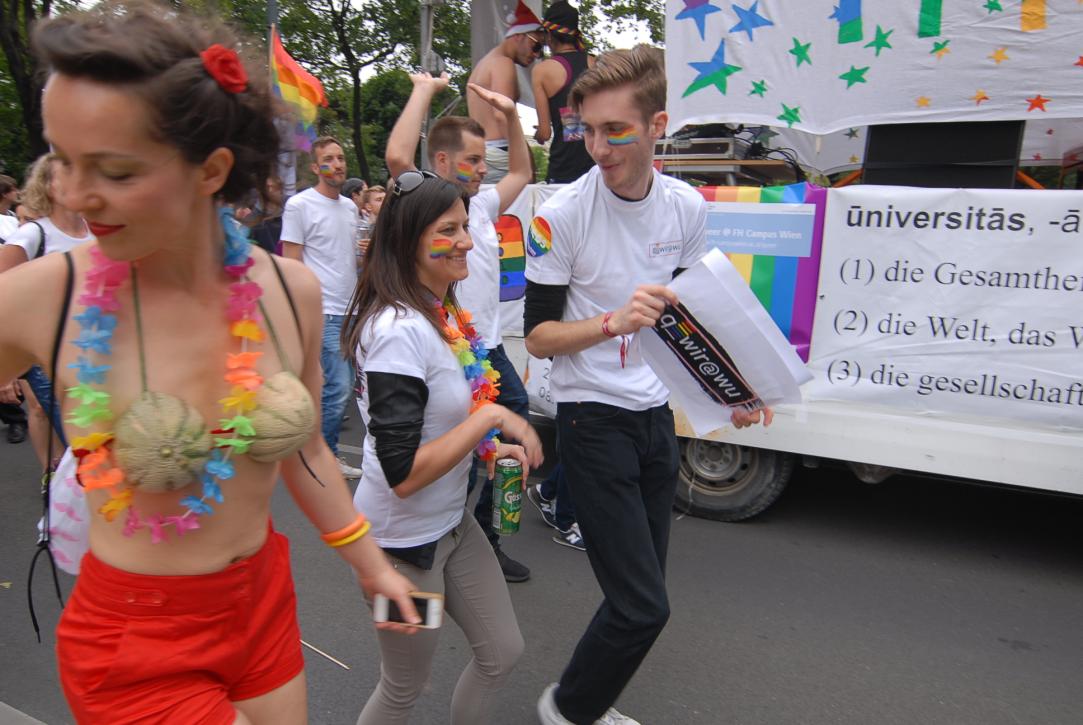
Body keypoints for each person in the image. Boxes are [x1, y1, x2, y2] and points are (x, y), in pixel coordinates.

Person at [0, 3, 419, 722]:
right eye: (63, 160)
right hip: (133, 641)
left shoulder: (290, 291)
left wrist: (370, 561)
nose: (72, 193)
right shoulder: (45, 295)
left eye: (113, 170)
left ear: (212, 170)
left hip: (261, 606)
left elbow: (308, 448)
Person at [524, 46, 773, 725]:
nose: (598, 147)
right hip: (590, 418)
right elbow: (538, 337)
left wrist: (732, 391)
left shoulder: (684, 207)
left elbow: (693, 319)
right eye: (588, 130)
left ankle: (588, 701)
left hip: (655, 415)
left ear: (657, 125)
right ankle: (566, 709)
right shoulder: (562, 214)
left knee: (640, 593)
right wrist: (611, 321)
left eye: (616, 130)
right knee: (643, 607)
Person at [342, 171, 543, 724]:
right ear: (410, 239)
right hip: (400, 549)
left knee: (502, 652)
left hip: (454, 525)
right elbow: (403, 473)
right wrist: (493, 420)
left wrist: (490, 450)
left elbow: (445, 414)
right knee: (404, 685)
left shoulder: (440, 312)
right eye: (448, 230)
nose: (467, 242)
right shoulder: (396, 333)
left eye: (465, 227)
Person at [387, 72, 534, 582]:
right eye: (473, 159)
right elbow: (397, 158)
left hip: (485, 347)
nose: (483, 168)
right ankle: (444, 535)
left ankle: (482, 535)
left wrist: (512, 117)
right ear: (443, 162)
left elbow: (522, 170)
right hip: (448, 348)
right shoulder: (426, 198)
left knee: (508, 424)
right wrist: (423, 90)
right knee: (469, 443)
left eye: (484, 158)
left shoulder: (485, 204)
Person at [0, 153, 95, 467]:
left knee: (98, 438)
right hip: (46, 353)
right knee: (84, 444)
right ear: (49, 185)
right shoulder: (33, 234)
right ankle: (54, 478)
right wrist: (8, 375)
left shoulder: (95, 232)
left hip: (96, 349)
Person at [280, 136, 364, 479]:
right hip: (324, 310)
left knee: (336, 387)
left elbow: (348, 259)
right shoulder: (299, 205)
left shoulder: (350, 208)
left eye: (341, 157)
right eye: (329, 159)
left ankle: (312, 453)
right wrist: (300, 314)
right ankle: (325, 459)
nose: (338, 164)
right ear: (316, 167)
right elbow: (291, 263)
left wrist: (364, 254)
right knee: (339, 387)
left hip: (352, 310)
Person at [466, 0, 542, 184]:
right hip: (500, 154)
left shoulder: (484, 64)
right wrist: (526, 159)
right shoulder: (503, 64)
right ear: (519, 36)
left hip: (483, 152)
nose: (537, 55)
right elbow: (502, 116)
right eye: (536, 46)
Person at [531, 0, 596, 184]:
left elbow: (545, 133)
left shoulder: (542, 71)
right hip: (596, 165)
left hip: (563, 169)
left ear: (549, 35)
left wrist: (538, 135)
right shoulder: (595, 64)